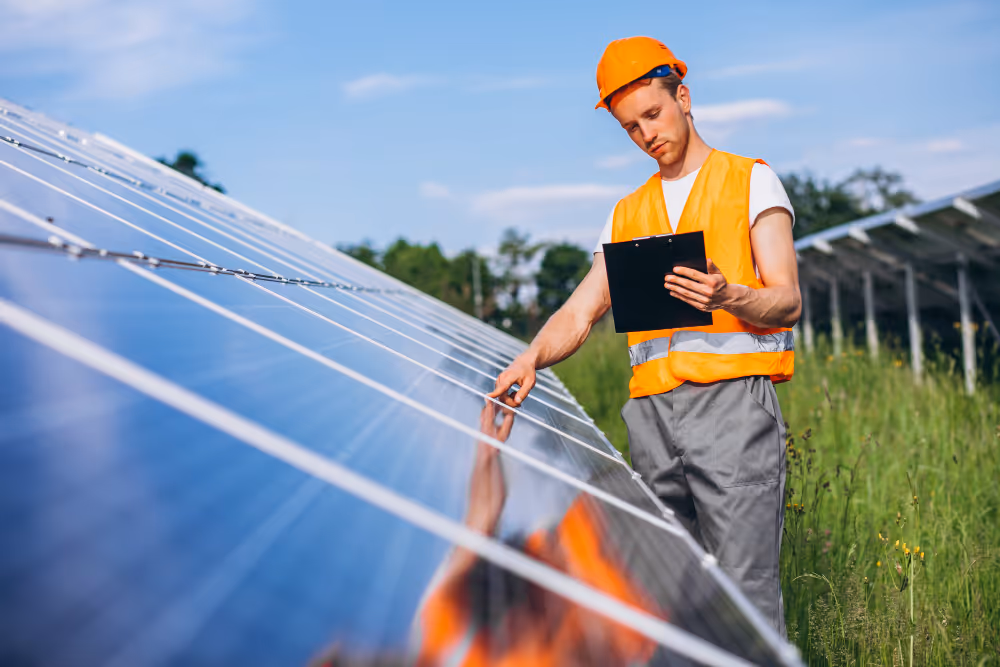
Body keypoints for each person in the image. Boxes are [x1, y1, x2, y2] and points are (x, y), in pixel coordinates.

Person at [489, 36, 801, 635]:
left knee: (746, 601)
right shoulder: (626, 213)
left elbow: (787, 299)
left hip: (733, 412)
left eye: (652, 115)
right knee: (668, 603)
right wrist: (532, 357)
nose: (645, 135)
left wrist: (728, 295)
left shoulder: (750, 181)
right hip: (652, 421)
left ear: (683, 98)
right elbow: (580, 312)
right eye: (630, 127)